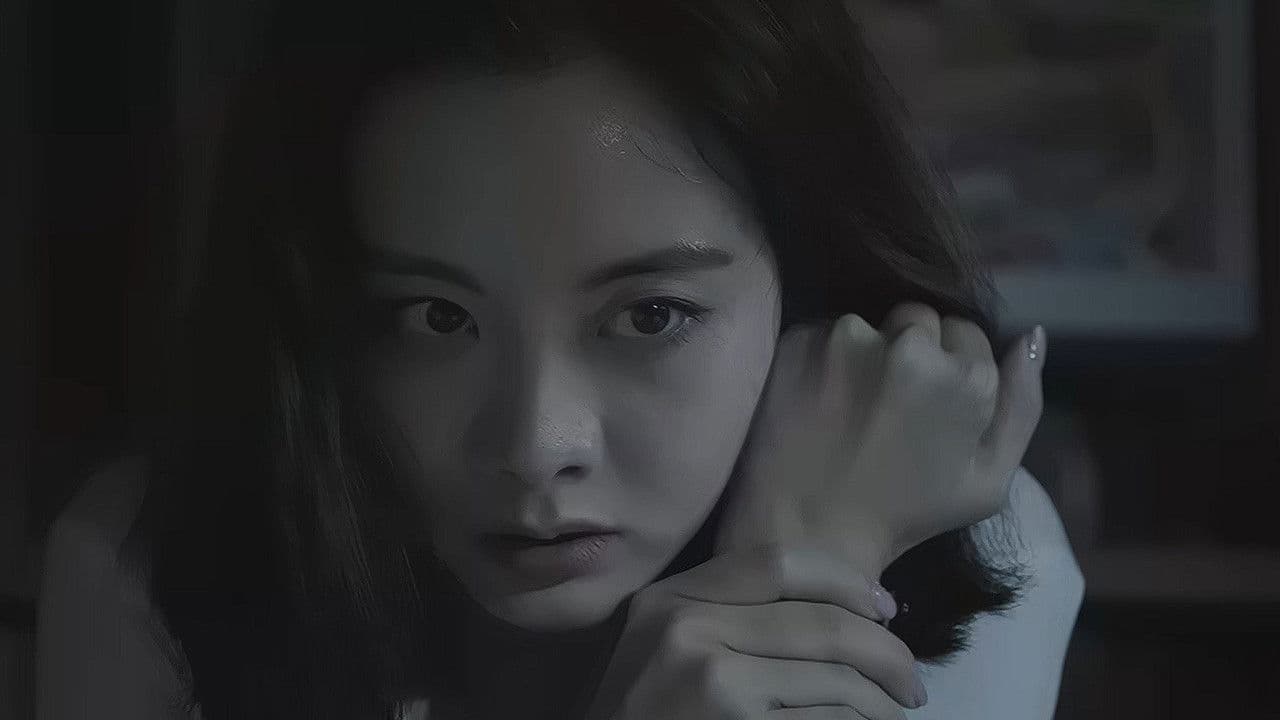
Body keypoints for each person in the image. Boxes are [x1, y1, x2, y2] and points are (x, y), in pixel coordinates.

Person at [36, 1, 1085, 719]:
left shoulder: (972, 549)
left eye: (651, 316)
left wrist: (810, 572)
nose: (537, 446)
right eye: (434, 318)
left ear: (806, 289)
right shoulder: (151, 567)